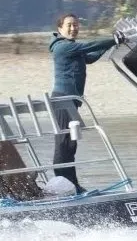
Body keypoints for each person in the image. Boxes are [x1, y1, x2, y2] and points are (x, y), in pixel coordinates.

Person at [49, 13, 116, 193]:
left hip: (71, 100)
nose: (73, 28)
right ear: (60, 29)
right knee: (64, 142)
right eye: (69, 25)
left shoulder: (72, 48)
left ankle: (72, 184)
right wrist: (113, 39)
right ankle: (63, 183)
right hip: (62, 99)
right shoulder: (62, 47)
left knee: (72, 143)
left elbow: (90, 56)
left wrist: (114, 43)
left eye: (76, 25)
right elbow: (89, 46)